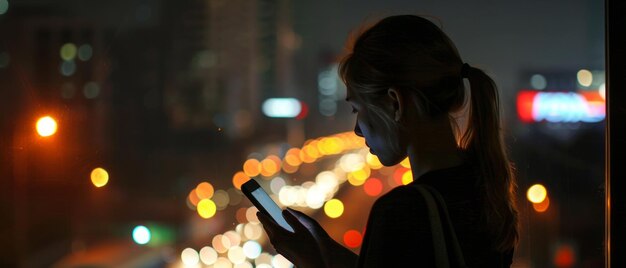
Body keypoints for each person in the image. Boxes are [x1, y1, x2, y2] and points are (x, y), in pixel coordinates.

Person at [257, 14, 519, 267]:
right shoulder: (484, 187)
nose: (358, 130)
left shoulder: (404, 212)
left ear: (395, 103)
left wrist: (311, 262)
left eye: (358, 109)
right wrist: (327, 253)